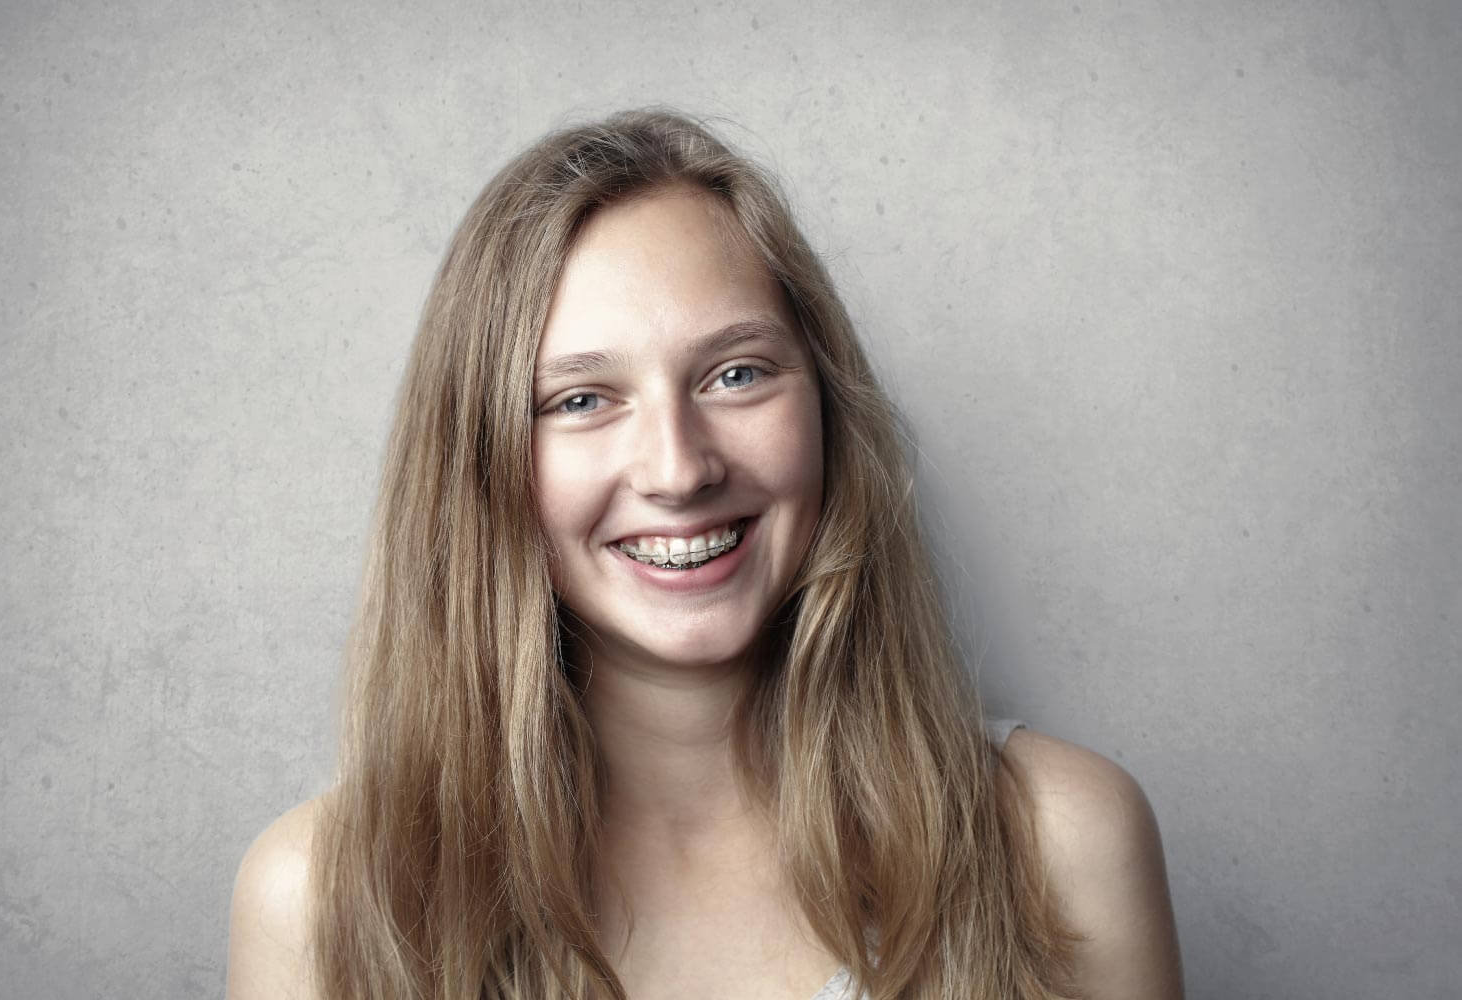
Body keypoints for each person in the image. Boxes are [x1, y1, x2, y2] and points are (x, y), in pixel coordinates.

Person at [226, 109, 1183, 1000]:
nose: (679, 470)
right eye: (581, 399)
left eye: (736, 373)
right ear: (478, 461)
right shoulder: (320, 902)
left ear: (827, 411)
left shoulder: (1063, 840)